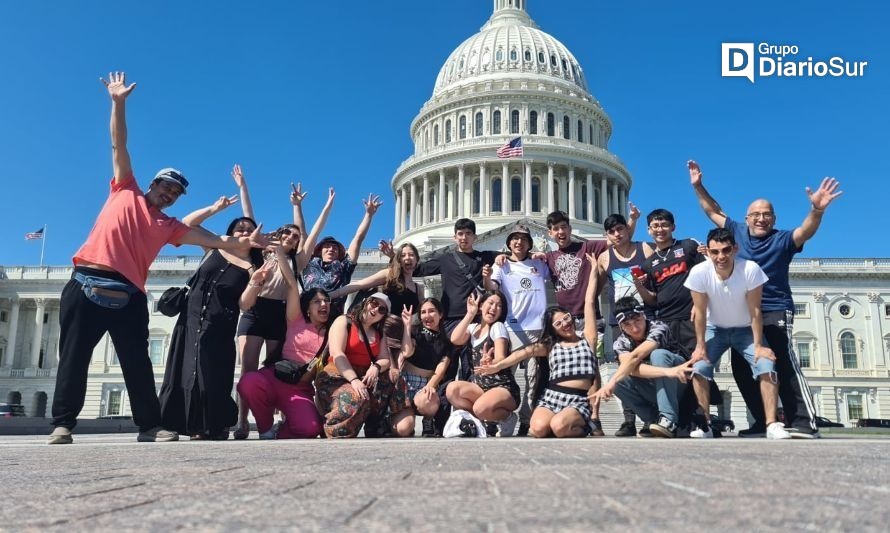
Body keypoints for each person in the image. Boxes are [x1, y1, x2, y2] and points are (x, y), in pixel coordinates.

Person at [48, 72, 266, 445]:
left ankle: (149, 425)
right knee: (74, 357)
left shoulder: (169, 226)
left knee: (137, 361)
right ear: (152, 184)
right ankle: (64, 423)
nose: (169, 194)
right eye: (166, 186)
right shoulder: (124, 190)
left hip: (129, 292)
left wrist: (248, 241)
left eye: (176, 192)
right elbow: (119, 145)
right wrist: (117, 103)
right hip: (86, 282)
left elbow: (214, 239)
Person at [689, 160, 842, 438]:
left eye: (767, 214)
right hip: (741, 314)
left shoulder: (782, 239)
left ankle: (805, 422)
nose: (761, 219)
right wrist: (699, 186)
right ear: (747, 218)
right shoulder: (735, 232)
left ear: (774, 218)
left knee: (782, 361)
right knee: (741, 369)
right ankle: (762, 420)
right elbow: (712, 210)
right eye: (756, 214)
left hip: (772, 308)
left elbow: (805, 230)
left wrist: (816, 210)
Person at [158, 173, 263, 440]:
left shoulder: (253, 267)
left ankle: (209, 425)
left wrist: (255, 283)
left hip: (221, 324)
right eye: (238, 228)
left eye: (248, 230)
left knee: (211, 372)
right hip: (190, 318)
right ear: (230, 233)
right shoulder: (213, 247)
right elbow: (187, 224)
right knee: (183, 368)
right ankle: (175, 423)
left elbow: (245, 304)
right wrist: (215, 209)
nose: (243, 231)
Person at [234, 185, 334, 439]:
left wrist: (315, 206)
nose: (291, 238)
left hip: (278, 312)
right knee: (248, 368)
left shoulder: (297, 261)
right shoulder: (263, 252)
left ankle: (285, 415)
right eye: (287, 234)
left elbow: (313, 233)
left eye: (294, 237)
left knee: (275, 366)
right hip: (255, 310)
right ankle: (242, 421)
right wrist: (244, 187)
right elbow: (249, 218)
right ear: (279, 234)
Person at [476, 253, 602, 438]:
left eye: (566, 319)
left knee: (559, 427)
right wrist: (497, 365)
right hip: (553, 396)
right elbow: (522, 354)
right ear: (553, 329)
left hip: (577, 397)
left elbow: (589, 301)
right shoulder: (551, 346)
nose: (565, 324)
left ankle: (584, 424)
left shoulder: (588, 338)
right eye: (558, 324)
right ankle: (560, 422)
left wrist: (592, 272)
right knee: (537, 429)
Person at [684, 228, 791, 440]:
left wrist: (759, 345)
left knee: (766, 365)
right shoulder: (699, 272)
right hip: (715, 328)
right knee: (699, 367)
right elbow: (700, 313)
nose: (720, 257)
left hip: (745, 329)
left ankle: (772, 424)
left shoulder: (750, 269)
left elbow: (755, 311)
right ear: (708, 251)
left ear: (735, 249)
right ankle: (704, 424)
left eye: (726, 250)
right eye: (715, 252)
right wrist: (700, 346)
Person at [237, 251, 329, 440]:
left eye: (327, 301)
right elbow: (291, 284)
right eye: (317, 301)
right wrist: (280, 253)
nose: (323, 304)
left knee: (311, 429)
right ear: (307, 308)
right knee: (248, 382)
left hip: (298, 388)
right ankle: (265, 428)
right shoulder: (296, 320)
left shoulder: (333, 331)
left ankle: (282, 429)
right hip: (273, 377)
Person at [634, 208, 706, 429]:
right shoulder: (649, 264)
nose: (660, 230)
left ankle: (702, 420)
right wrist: (639, 286)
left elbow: (706, 276)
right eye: (655, 226)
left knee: (697, 367)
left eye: (664, 225)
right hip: (665, 321)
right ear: (649, 230)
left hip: (689, 317)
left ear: (673, 227)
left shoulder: (688, 247)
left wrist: (699, 305)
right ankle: (674, 419)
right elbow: (652, 300)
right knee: (670, 369)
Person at [589, 297, 693, 438]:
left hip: (680, 382)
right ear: (620, 327)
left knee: (658, 355)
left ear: (644, 316)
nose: (635, 328)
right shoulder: (621, 342)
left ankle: (668, 419)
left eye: (637, 320)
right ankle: (653, 420)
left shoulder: (658, 328)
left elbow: (635, 357)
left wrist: (611, 381)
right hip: (662, 381)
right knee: (620, 381)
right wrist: (668, 372)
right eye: (627, 324)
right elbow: (630, 368)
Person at [314, 293, 413, 438]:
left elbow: (385, 359)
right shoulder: (344, 321)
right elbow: (337, 354)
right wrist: (354, 380)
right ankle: (335, 427)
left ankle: (378, 424)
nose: (375, 309)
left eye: (382, 309)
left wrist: (376, 367)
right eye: (373, 303)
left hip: (363, 376)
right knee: (357, 397)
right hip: (337, 376)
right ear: (365, 302)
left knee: (394, 375)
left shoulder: (379, 332)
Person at [484, 223, 550, 437]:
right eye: (515, 238)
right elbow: (490, 288)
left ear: (529, 243)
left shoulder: (540, 263)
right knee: (503, 375)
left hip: (538, 328)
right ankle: (496, 416)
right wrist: (488, 273)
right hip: (514, 327)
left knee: (534, 377)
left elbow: (557, 272)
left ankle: (526, 420)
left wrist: (543, 255)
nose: (519, 242)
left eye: (523, 238)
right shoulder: (501, 265)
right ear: (508, 242)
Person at [597, 210, 654, 437]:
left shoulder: (645, 249)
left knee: (648, 367)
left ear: (626, 229)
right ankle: (629, 420)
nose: (617, 234)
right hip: (618, 320)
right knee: (624, 368)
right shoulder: (604, 257)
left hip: (645, 315)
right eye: (611, 231)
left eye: (620, 229)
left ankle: (652, 418)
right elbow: (597, 285)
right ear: (607, 235)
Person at [446, 291, 519, 437]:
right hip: (480, 386)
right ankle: (485, 420)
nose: (494, 308)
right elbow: (455, 339)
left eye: (499, 306)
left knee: (480, 408)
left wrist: (491, 362)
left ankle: (508, 418)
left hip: (502, 387)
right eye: (490, 303)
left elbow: (500, 357)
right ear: (481, 306)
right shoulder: (473, 328)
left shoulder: (498, 327)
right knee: (452, 389)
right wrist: (470, 314)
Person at [300, 194, 383, 313]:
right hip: (306, 315)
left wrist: (368, 215)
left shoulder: (344, 266)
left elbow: (358, 238)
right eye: (327, 246)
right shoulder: (308, 263)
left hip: (333, 316)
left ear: (339, 253)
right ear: (319, 250)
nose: (331, 249)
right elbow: (310, 233)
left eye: (335, 248)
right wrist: (325, 207)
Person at [398, 298, 456, 437]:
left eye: (431, 311)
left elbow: (441, 368)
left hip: (425, 384)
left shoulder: (446, 341)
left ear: (440, 314)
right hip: (405, 383)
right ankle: (405, 423)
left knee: (428, 399)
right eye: (423, 312)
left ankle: (428, 421)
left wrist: (430, 386)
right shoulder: (414, 331)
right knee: (403, 429)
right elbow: (406, 352)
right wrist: (407, 326)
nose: (427, 315)